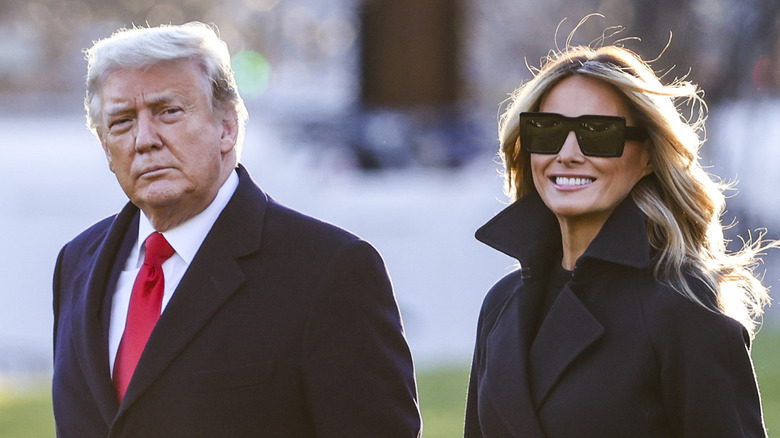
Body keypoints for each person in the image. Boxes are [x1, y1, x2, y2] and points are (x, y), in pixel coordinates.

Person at [52, 22, 421, 437]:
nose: (144, 139)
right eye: (121, 121)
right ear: (105, 147)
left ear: (227, 127)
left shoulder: (329, 270)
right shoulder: (76, 265)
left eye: (168, 111)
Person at [464, 42, 772, 437]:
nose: (568, 153)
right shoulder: (501, 305)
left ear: (647, 155)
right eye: (548, 130)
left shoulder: (684, 304)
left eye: (598, 132)